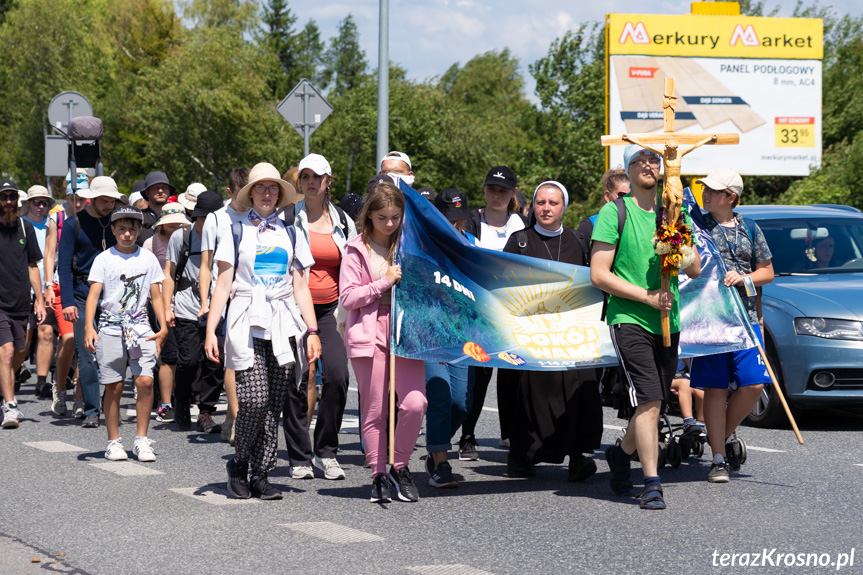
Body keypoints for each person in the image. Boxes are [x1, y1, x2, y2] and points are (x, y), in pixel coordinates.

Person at [591, 145, 702, 510]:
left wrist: (677, 245)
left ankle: (621, 454)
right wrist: (645, 296)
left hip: (669, 321)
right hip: (629, 317)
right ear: (629, 169)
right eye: (639, 160)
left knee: (650, 402)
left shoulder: (674, 211)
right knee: (651, 398)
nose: (648, 166)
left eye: (654, 160)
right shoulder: (614, 212)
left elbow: (695, 269)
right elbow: (599, 275)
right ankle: (652, 483)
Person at [205, 162, 321, 501]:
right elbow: (223, 285)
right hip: (246, 320)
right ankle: (239, 463)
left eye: (273, 188)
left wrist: (312, 330)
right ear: (251, 193)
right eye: (261, 188)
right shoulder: (235, 230)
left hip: (283, 321)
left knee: (273, 404)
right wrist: (212, 330)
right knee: (254, 400)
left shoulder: (293, 232)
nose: (267, 194)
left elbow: (301, 287)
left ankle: (262, 473)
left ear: (280, 194)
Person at [502, 181, 603, 481]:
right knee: (530, 394)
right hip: (531, 333)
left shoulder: (577, 241)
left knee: (580, 390)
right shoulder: (519, 241)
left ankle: (577, 456)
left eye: (553, 203)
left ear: (564, 207)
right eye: (541, 203)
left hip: (571, 334)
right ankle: (522, 455)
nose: (546, 208)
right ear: (533, 206)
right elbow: (502, 284)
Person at [340, 181, 427, 503]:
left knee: (415, 403)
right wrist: (383, 283)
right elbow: (348, 298)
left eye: (395, 217)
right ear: (369, 217)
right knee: (375, 411)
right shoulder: (356, 248)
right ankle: (378, 472)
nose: (389, 224)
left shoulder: (409, 244)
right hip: (368, 331)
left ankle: (400, 465)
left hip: (406, 332)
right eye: (382, 218)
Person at [690, 168, 774, 483]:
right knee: (714, 389)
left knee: (753, 384)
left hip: (747, 321)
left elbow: (767, 271)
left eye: (713, 190)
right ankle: (718, 459)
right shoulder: (695, 224)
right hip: (710, 322)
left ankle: (720, 436)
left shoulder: (750, 228)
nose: (705, 194)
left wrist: (745, 278)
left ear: (731, 197)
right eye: (704, 189)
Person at [291, 153, 357, 480]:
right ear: (299, 182)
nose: (312, 182)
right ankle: (300, 455)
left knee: (337, 376)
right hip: (292, 309)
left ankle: (326, 452)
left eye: (318, 176)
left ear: (328, 181)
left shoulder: (344, 221)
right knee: (298, 379)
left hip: (331, 310)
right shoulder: (287, 218)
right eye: (305, 176)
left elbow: (357, 264)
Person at [84, 206, 167, 461]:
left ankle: (141, 439)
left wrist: (162, 327)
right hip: (110, 326)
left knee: (145, 381)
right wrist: (89, 326)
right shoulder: (104, 259)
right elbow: (94, 295)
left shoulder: (148, 259)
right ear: (113, 231)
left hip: (140, 326)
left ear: (139, 230)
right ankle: (113, 441)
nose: (127, 234)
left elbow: (155, 295)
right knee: (115, 385)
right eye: (122, 229)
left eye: (132, 229)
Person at [459, 166, 527, 460]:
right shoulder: (471, 221)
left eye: (503, 190)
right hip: (478, 313)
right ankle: (467, 436)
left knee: (512, 376)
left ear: (513, 193)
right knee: (479, 376)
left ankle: (509, 433)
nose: (496, 195)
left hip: (513, 313)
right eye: (491, 189)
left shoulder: (523, 225)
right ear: (484, 190)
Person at [58, 176, 123, 428]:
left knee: (112, 353)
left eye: (112, 201)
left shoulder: (118, 223)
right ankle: (92, 410)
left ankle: (109, 404)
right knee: (86, 353)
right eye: (104, 201)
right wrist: (67, 302)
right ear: (91, 199)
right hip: (81, 294)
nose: (109, 205)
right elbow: (64, 266)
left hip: (112, 295)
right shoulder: (74, 224)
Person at [425, 188, 476, 489]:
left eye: (459, 219)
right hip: (430, 334)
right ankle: (441, 463)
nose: (454, 225)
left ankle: (437, 446)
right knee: (440, 398)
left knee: (461, 402)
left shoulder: (472, 244)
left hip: (463, 335)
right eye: (448, 219)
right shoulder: (422, 244)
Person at [164, 191, 225, 434]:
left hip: (218, 305)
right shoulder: (182, 236)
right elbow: (169, 273)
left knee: (214, 363)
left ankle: (206, 411)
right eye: (202, 217)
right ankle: (181, 401)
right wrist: (168, 306)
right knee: (189, 360)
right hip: (187, 306)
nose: (206, 222)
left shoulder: (225, 237)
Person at [200, 168, 249, 445]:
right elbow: (206, 265)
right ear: (230, 192)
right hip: (224, 295)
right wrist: (205, 302)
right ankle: (237, 416)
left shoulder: (260, 216)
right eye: (241, 196)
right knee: (231, 358)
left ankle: (233, 416)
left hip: (250, 293)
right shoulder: (216, 220)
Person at [0, 179, 46, 429]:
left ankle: (3, 387)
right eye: (3, 197)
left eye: (11, 197)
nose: (8, 202)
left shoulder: (25, 228)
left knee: (20, 353)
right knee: (6, 352)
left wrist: (39, 300)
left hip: (21, 302)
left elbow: (32, 265)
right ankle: (10, 405)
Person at [142, 202, 188, 426]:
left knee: (185, 353)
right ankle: (166, 402)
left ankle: (182, 399)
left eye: (178, 223)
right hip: (158, 300)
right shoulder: (151, 243)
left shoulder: (187, 239)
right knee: (168, 352)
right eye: (170, 223)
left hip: (185, 299)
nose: (175, 226)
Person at [49, 175, 89, 417]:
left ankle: (80, 397)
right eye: (75, 194)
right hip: (61, 285)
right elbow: (50, 253)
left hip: (87, 288)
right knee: (68, 339)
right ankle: (60, 387)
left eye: (83, 195)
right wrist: (45, 285)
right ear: (67, 194)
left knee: (86, 344)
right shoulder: (59, 217)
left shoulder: (94, 220)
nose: (79, 199)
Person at [21, 186, 59, 400]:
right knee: (24, 336)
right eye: (36, 202)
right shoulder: (20, 225)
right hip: (22, 286)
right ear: (28, 203)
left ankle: (42, 382)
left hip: (46, 285)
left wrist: (48, 285)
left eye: (45, 202)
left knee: (45, 332)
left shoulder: (51, 225)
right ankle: (15, 371)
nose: (41, 206)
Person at [138, 171, 174, 244]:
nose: (160, 191)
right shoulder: (138, 218)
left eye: (164, 187)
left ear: (169, 191)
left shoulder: (176, 217)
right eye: (156, 188)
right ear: (147, 192)